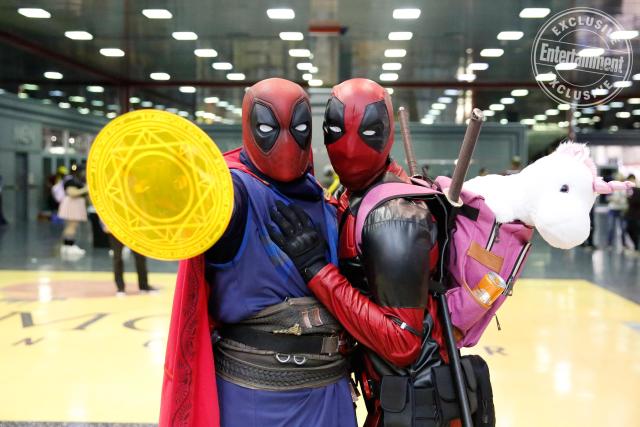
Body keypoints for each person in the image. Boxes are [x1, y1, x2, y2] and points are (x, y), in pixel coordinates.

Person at [160, 78, 357, 427]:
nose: (284, 140)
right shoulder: (234, 190)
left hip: (330, 390)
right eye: (268, 127)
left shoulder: (324, 201)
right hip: (255, 396)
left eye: (298, 128)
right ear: (249, 126)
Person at [269, 78, 443, 426]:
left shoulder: (392, 215)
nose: (349, 147)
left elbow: (402, 341)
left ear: (387, 131)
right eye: (335, 129)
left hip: (416, 402)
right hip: (391, 397)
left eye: (368, 131)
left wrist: (317, 270)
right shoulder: (355, 196)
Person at [102, 222, 154, 295]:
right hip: (116, 227)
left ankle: (144, 285)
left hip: (133, 227)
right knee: (117, 258)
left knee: (140, 256)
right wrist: (105, 223)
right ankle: (120, 288)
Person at [58, 165, 88, 257]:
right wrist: (85, 189)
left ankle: (66, 246)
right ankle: (69, 246)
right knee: (72, 226)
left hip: (75, 204)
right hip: (73, 204)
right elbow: (72, 193)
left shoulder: (76, 180)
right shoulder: (71, 181)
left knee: (70, 226)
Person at [607, 173, 628, 248]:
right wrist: (614, 199)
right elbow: (607, 197)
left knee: (623, 228)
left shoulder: (625, 188)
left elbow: (627, 198)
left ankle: (624, 244)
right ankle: (609, 243)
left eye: (621, 179)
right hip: (613, 209)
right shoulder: (612, 187)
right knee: (611, 227)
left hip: (621, 209)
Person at [625, 174, 640, 251]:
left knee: (636, 231)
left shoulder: (637, 190)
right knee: (628, 230)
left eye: (632, 180)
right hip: (629, 214)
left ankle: (637, 248)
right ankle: (636, 246)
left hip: (637, 215)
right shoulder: (627, 191)